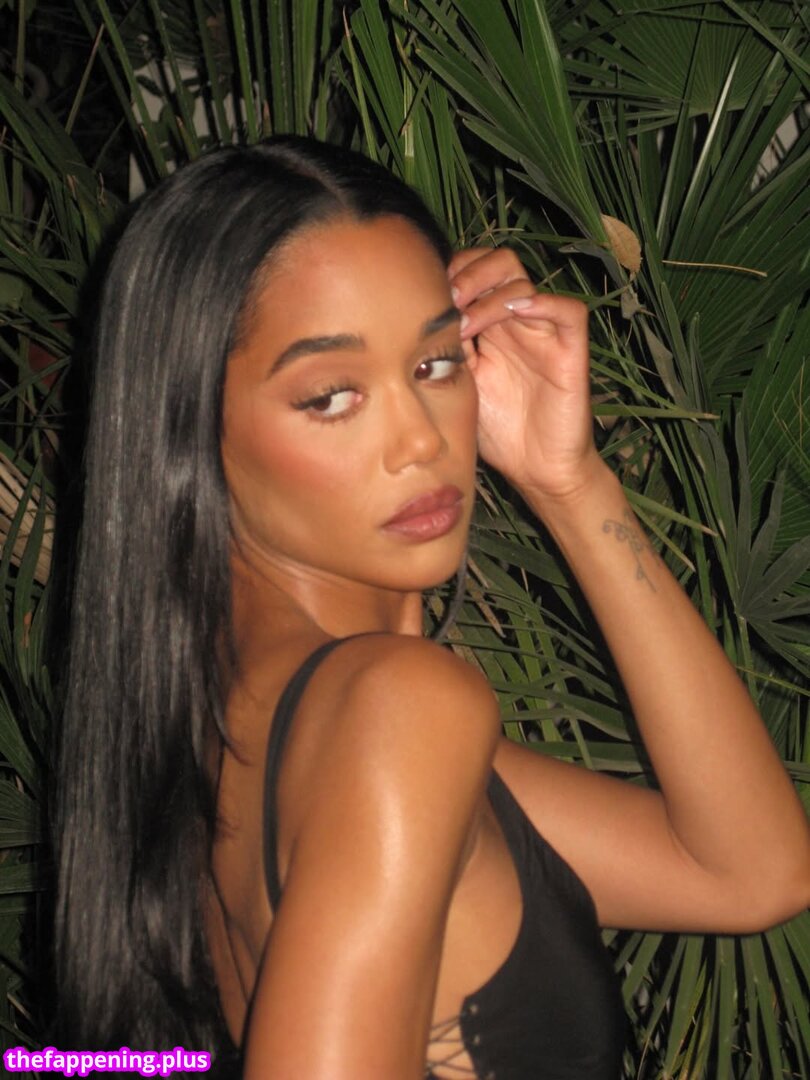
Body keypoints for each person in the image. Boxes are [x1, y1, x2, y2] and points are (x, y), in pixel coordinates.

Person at [54, 136, 810, 1080]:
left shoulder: (242, 718)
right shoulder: (396, 710)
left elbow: (752, 872)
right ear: (189, 431)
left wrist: (569, 483)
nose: (419, 440)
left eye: (436, 363)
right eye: (332, 396)